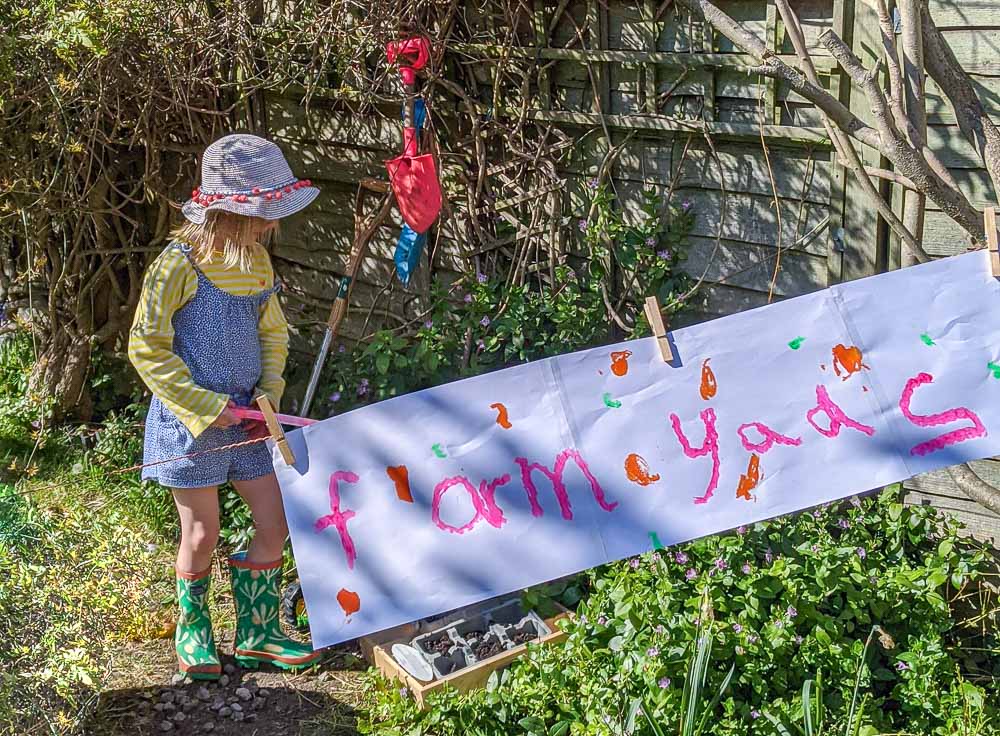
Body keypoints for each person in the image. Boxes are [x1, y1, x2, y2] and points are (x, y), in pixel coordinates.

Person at [128, 134, 321, 679]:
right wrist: (203, 407)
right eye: (262, 215)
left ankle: (259, 631)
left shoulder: (257, 263)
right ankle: (194, 631)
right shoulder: (178, 265)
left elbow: (274, 336)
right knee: (201, 532)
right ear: (229, 213)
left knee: (274, 518)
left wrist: (271, 397)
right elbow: (145, 346)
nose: (270, 226)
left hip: (250, 422)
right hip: (191, 426)